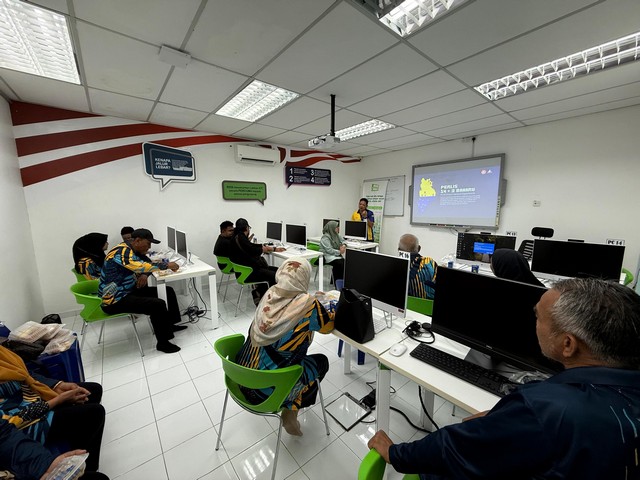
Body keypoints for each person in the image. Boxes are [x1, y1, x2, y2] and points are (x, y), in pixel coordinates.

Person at [368, 277, 640, 479]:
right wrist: (507, 421)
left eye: (537, 317)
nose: (533, 323)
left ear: (567, 344)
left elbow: (456, 448)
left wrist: (396, 454)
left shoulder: (545, 409)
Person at [235, 257, 335, 436]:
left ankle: (292, 405)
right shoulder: (309, 305)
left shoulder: (269, 293)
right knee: (321, 362)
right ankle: (291, 410)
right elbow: (328, 327)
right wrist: (326, 304)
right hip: (268, 393)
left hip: (240, 378)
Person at [0, 345, 107, 477]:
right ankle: (84, 468)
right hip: (22, 422)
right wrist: (58, 400)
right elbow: (11, 421)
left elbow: (25, 374)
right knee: (93, 414)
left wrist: (57, 385)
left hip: (30, 398)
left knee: (93, 390)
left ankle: (80, 459)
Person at [99, 228, 185, 354]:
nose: (149, 248)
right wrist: (167, 265)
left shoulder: (132, 248)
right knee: (157, 305)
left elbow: (146, 262)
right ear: (138, 240)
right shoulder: (121, 251)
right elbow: (139, 266)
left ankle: (170, 325)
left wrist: (146, 274)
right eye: (148, 244)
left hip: (128, 291)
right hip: (114, 299)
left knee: (168, 291)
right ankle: (163, 343)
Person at [229, 218, 285, 303]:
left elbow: (250, 246)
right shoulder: (240, 238)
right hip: (250, 272)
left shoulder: (236, 237)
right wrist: (267, 249)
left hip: (243, 271)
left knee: (276, 270)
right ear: (247, 228)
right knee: (276, 275)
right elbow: (252, 249)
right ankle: (269, 300)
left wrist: (265, 248)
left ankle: (260, 293)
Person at [398, 234, 437, 300]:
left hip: (403, 304)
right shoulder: (429, 262)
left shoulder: (395, 266)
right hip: (428, 304)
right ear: (419, 248)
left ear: (399, 250)